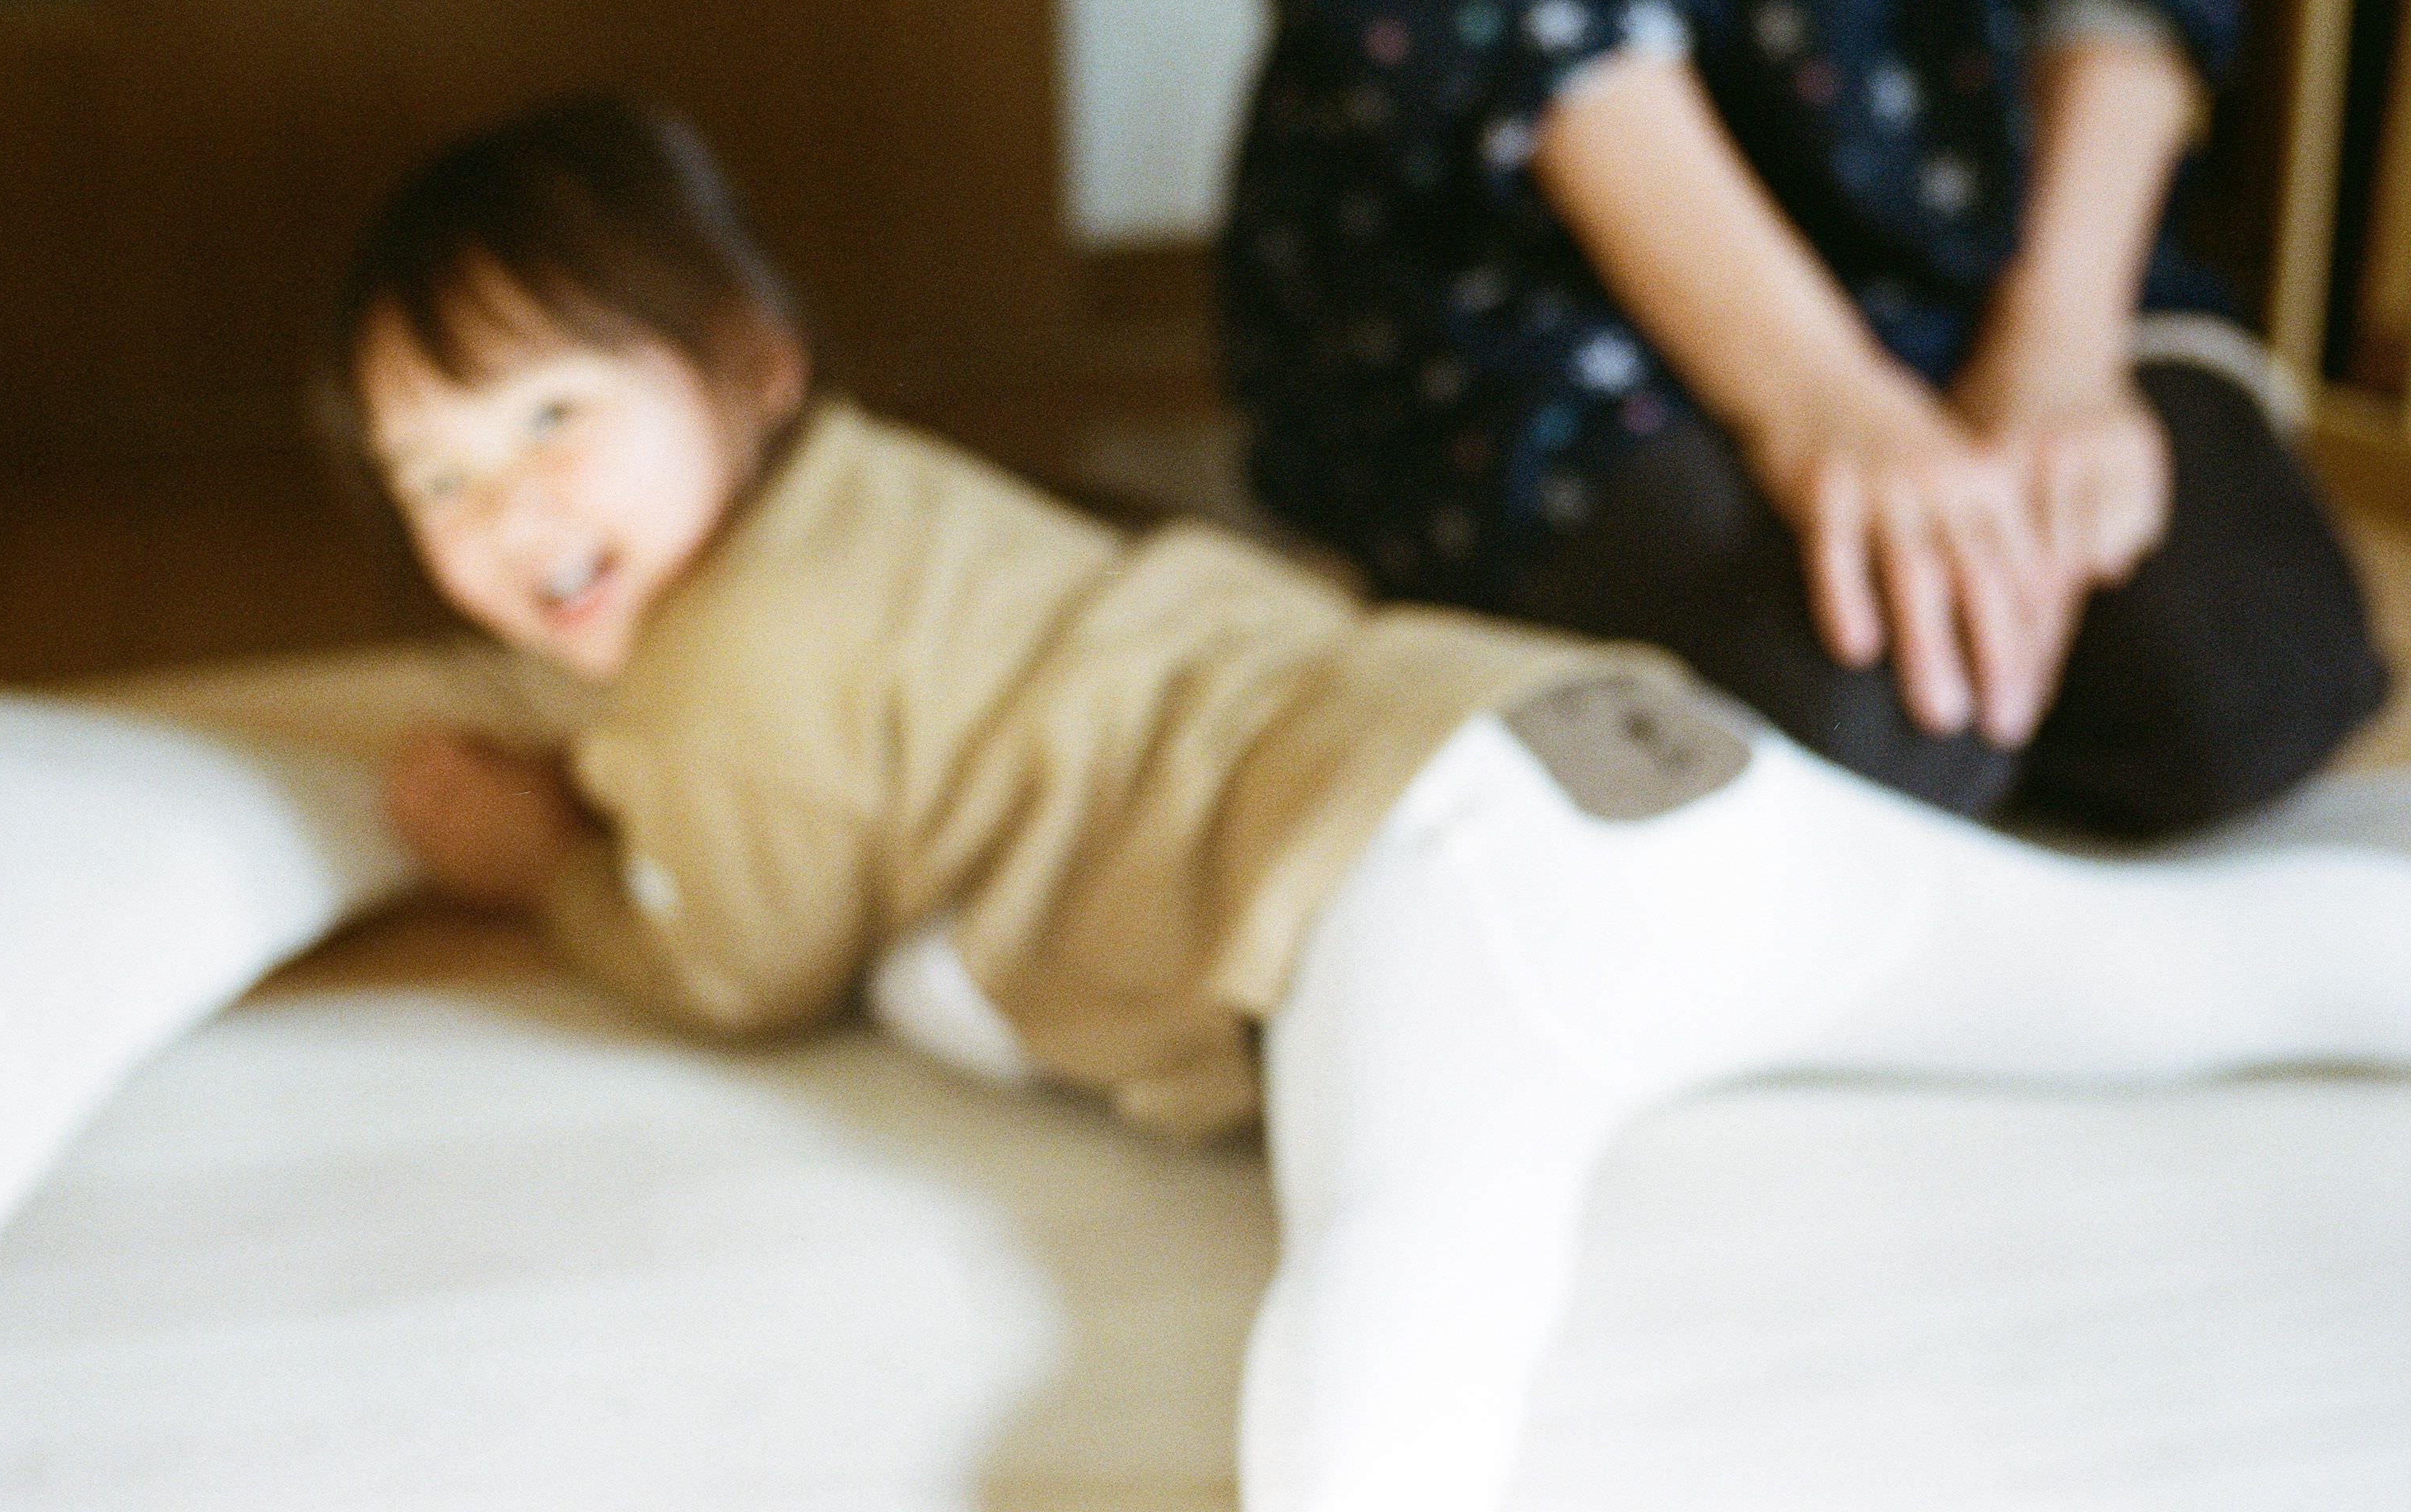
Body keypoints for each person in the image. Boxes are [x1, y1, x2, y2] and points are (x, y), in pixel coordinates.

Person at [336, 97, 2411, 1512]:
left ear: (749, 366)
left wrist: (548, 864)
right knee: (2139, 970)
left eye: (550, 417)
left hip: (1405, 880)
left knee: (1413, 1272)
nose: (508, 507)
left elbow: (745, 955)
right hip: (1590, 740)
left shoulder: (711, 677)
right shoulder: (886, 489)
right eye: (436, 476)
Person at [1221, 0, 2388, 834]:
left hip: (1972, 196)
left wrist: (2057, 350)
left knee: (2244, 689)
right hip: (1530, 235)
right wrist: (1818, 397)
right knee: (1872, 722)